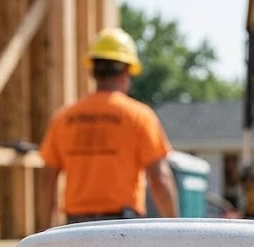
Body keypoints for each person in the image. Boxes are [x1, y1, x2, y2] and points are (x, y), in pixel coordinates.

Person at [39, 27, 179, 226]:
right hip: (122, 226)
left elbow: (47, 180)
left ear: (93, 71)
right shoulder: (139, 116)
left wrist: (45, 231)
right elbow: (161, 179)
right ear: (126, 71)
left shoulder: (64, 118)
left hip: (75, 226)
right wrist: (174, 228)